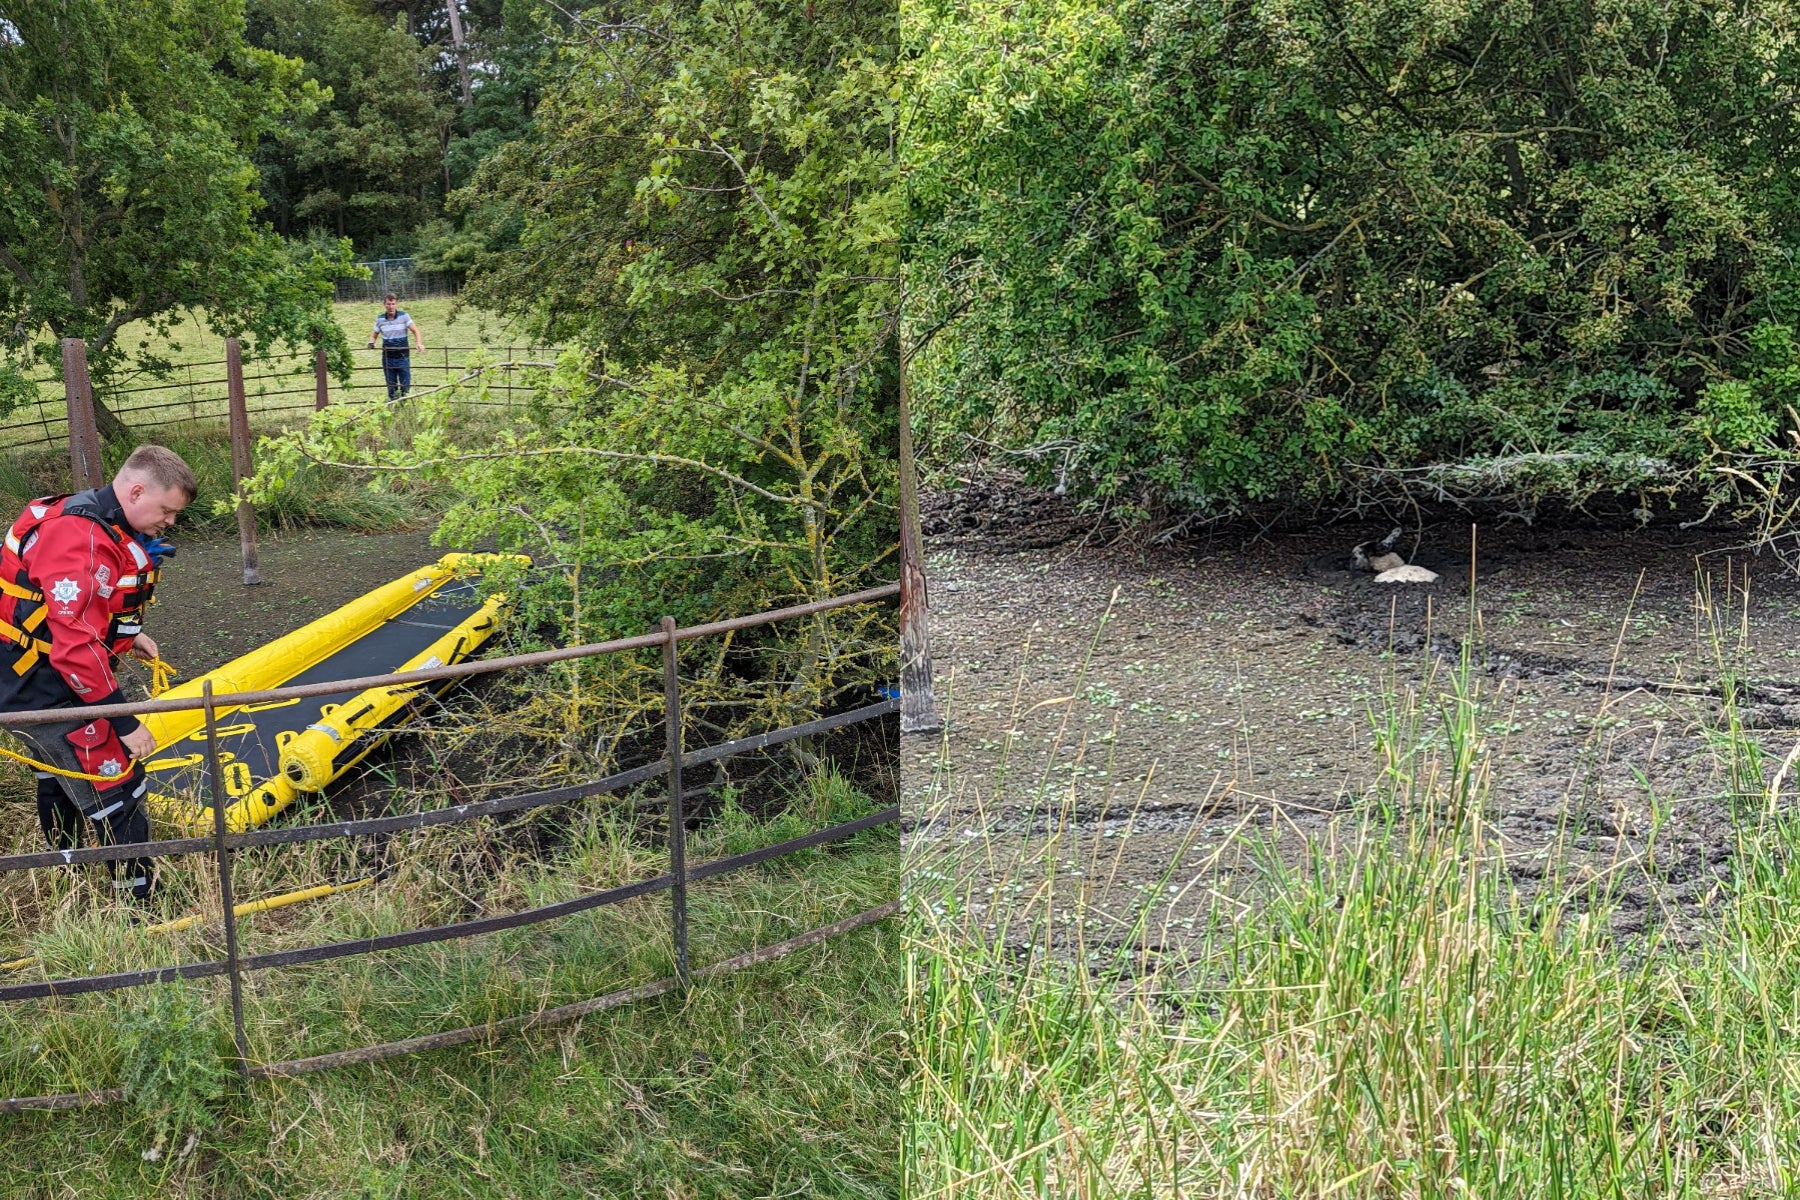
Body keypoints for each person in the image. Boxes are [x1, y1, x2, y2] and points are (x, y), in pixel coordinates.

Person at [0, 445, 195, 902]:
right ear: (137, 490)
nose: (170, 522)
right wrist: (124, 722)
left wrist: (129, 638)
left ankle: (63, 867)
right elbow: (74, 651)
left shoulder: (93, 516)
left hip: (23, 674)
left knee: (57, 774)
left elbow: (74, 610)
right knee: (121, 787)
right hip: (44, 689)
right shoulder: (79, 537)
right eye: (166, 510)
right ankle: (138, 907)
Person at [368, 292, 425, 398]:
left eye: (393, 304)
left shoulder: (404, 316)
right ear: (384, 305)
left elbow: (415, 330)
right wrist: (371, 343)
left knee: (405, 385)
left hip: (403, 357)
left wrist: (419, 343)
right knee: (391, 386)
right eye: (388, 304)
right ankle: (393, 408)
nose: (391, 307)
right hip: (388, 358)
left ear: (396, 304)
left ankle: (405, 408)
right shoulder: (380, 319)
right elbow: (374, 335)